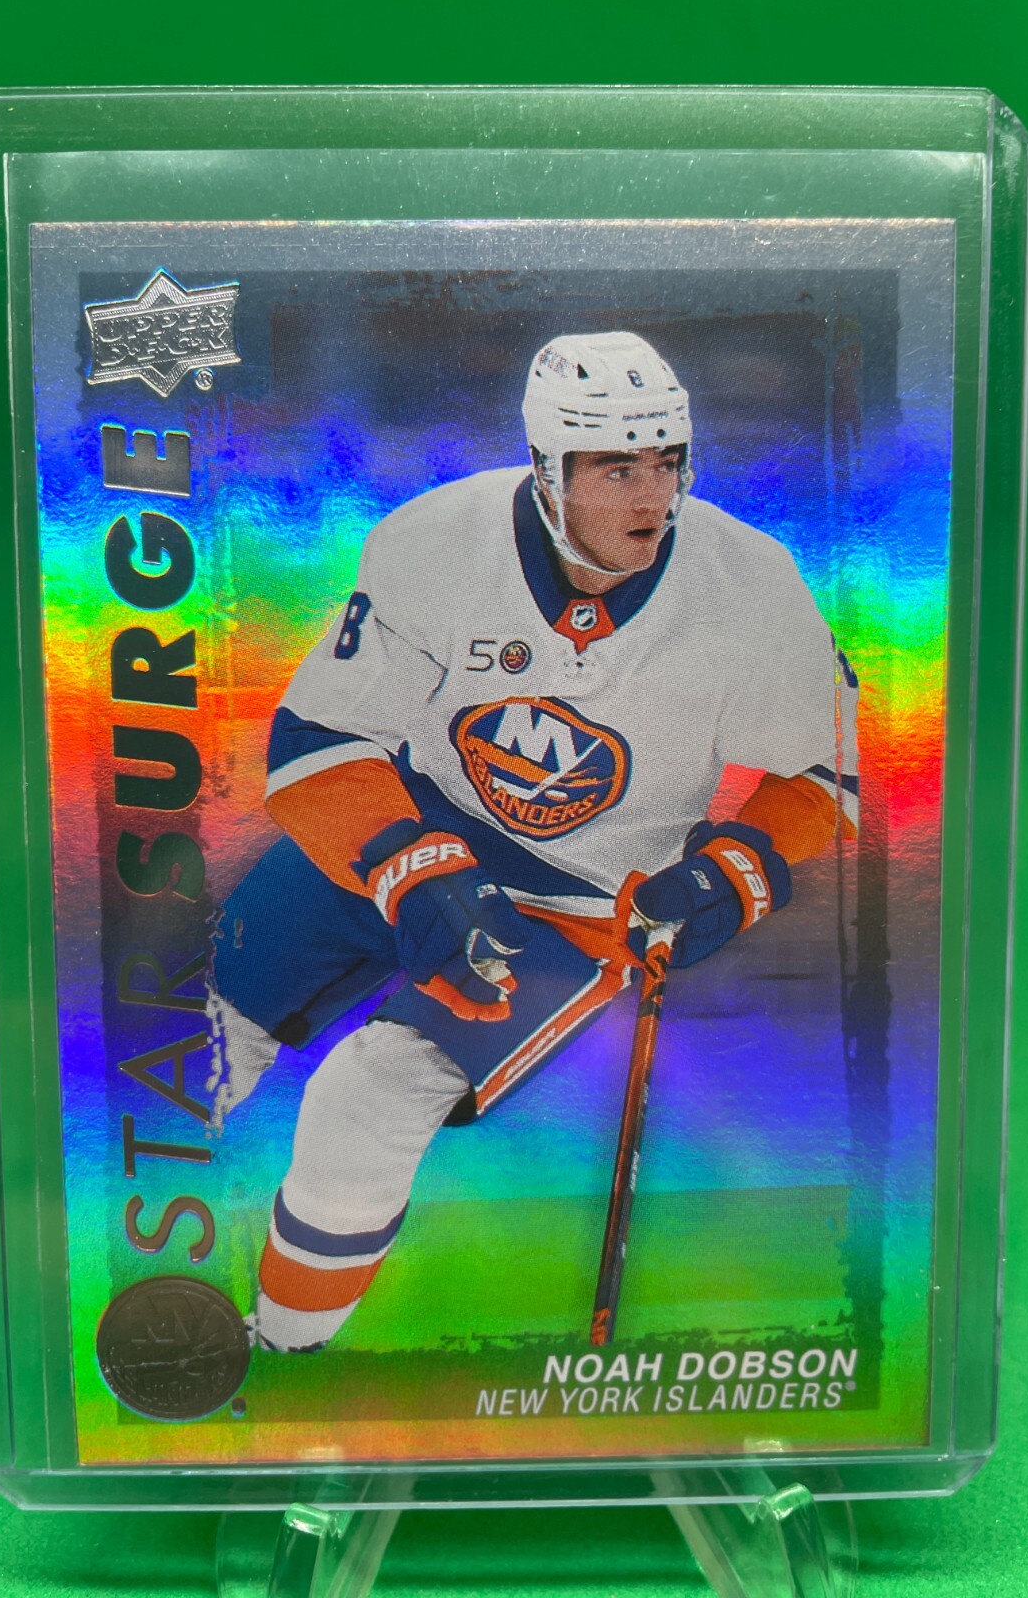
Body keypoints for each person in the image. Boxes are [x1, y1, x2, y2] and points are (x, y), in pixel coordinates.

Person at [208, 331, 859, 1353]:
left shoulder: (751, 585)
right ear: (549, 469)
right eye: (617, 468)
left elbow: (826, 771)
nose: (652, 495)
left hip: (576, 906)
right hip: (405, 832)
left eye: (668, 462)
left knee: (364, 1098)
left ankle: (278, 1340)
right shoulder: (435, 540)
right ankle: (129, 1259)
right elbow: (319, 742)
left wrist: (735, 872)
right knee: (198, 1030)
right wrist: (409, 865)